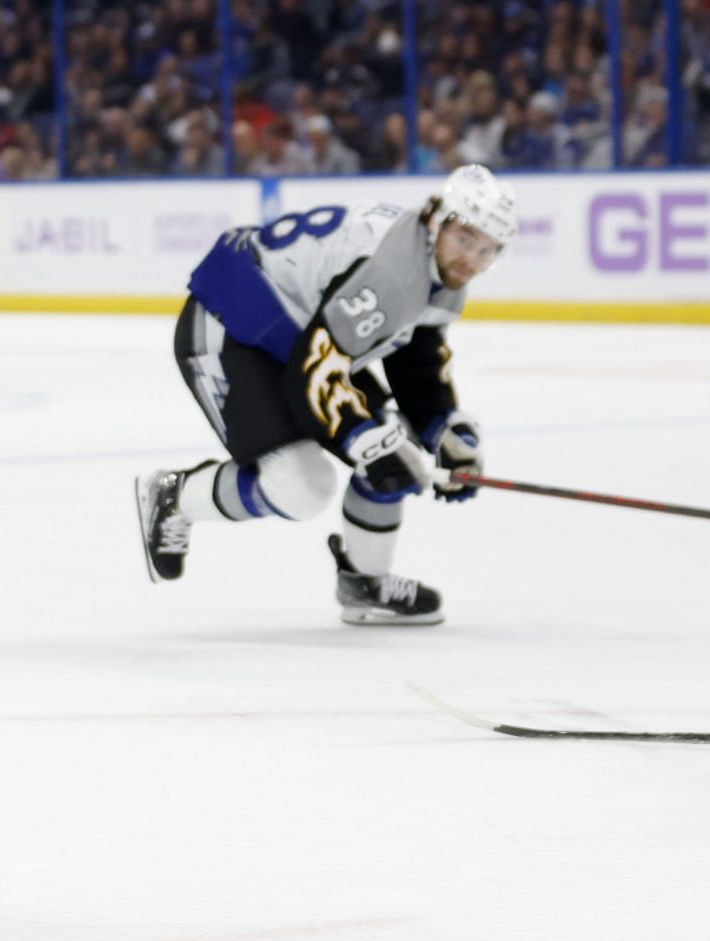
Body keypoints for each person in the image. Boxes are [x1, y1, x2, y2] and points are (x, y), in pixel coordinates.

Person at [135, 164, 516, 625]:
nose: (471, 260)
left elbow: (414, 364)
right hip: (232, 321)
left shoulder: (437, 271)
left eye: (486, 250)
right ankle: (175, 496)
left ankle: (364, 582)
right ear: (438, 219)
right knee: (301, 488)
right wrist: (368, 440)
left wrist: (444, 435)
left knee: (391, 446)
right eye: (465, 239)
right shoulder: (393, 269)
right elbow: (314, 372)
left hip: (300, 338)